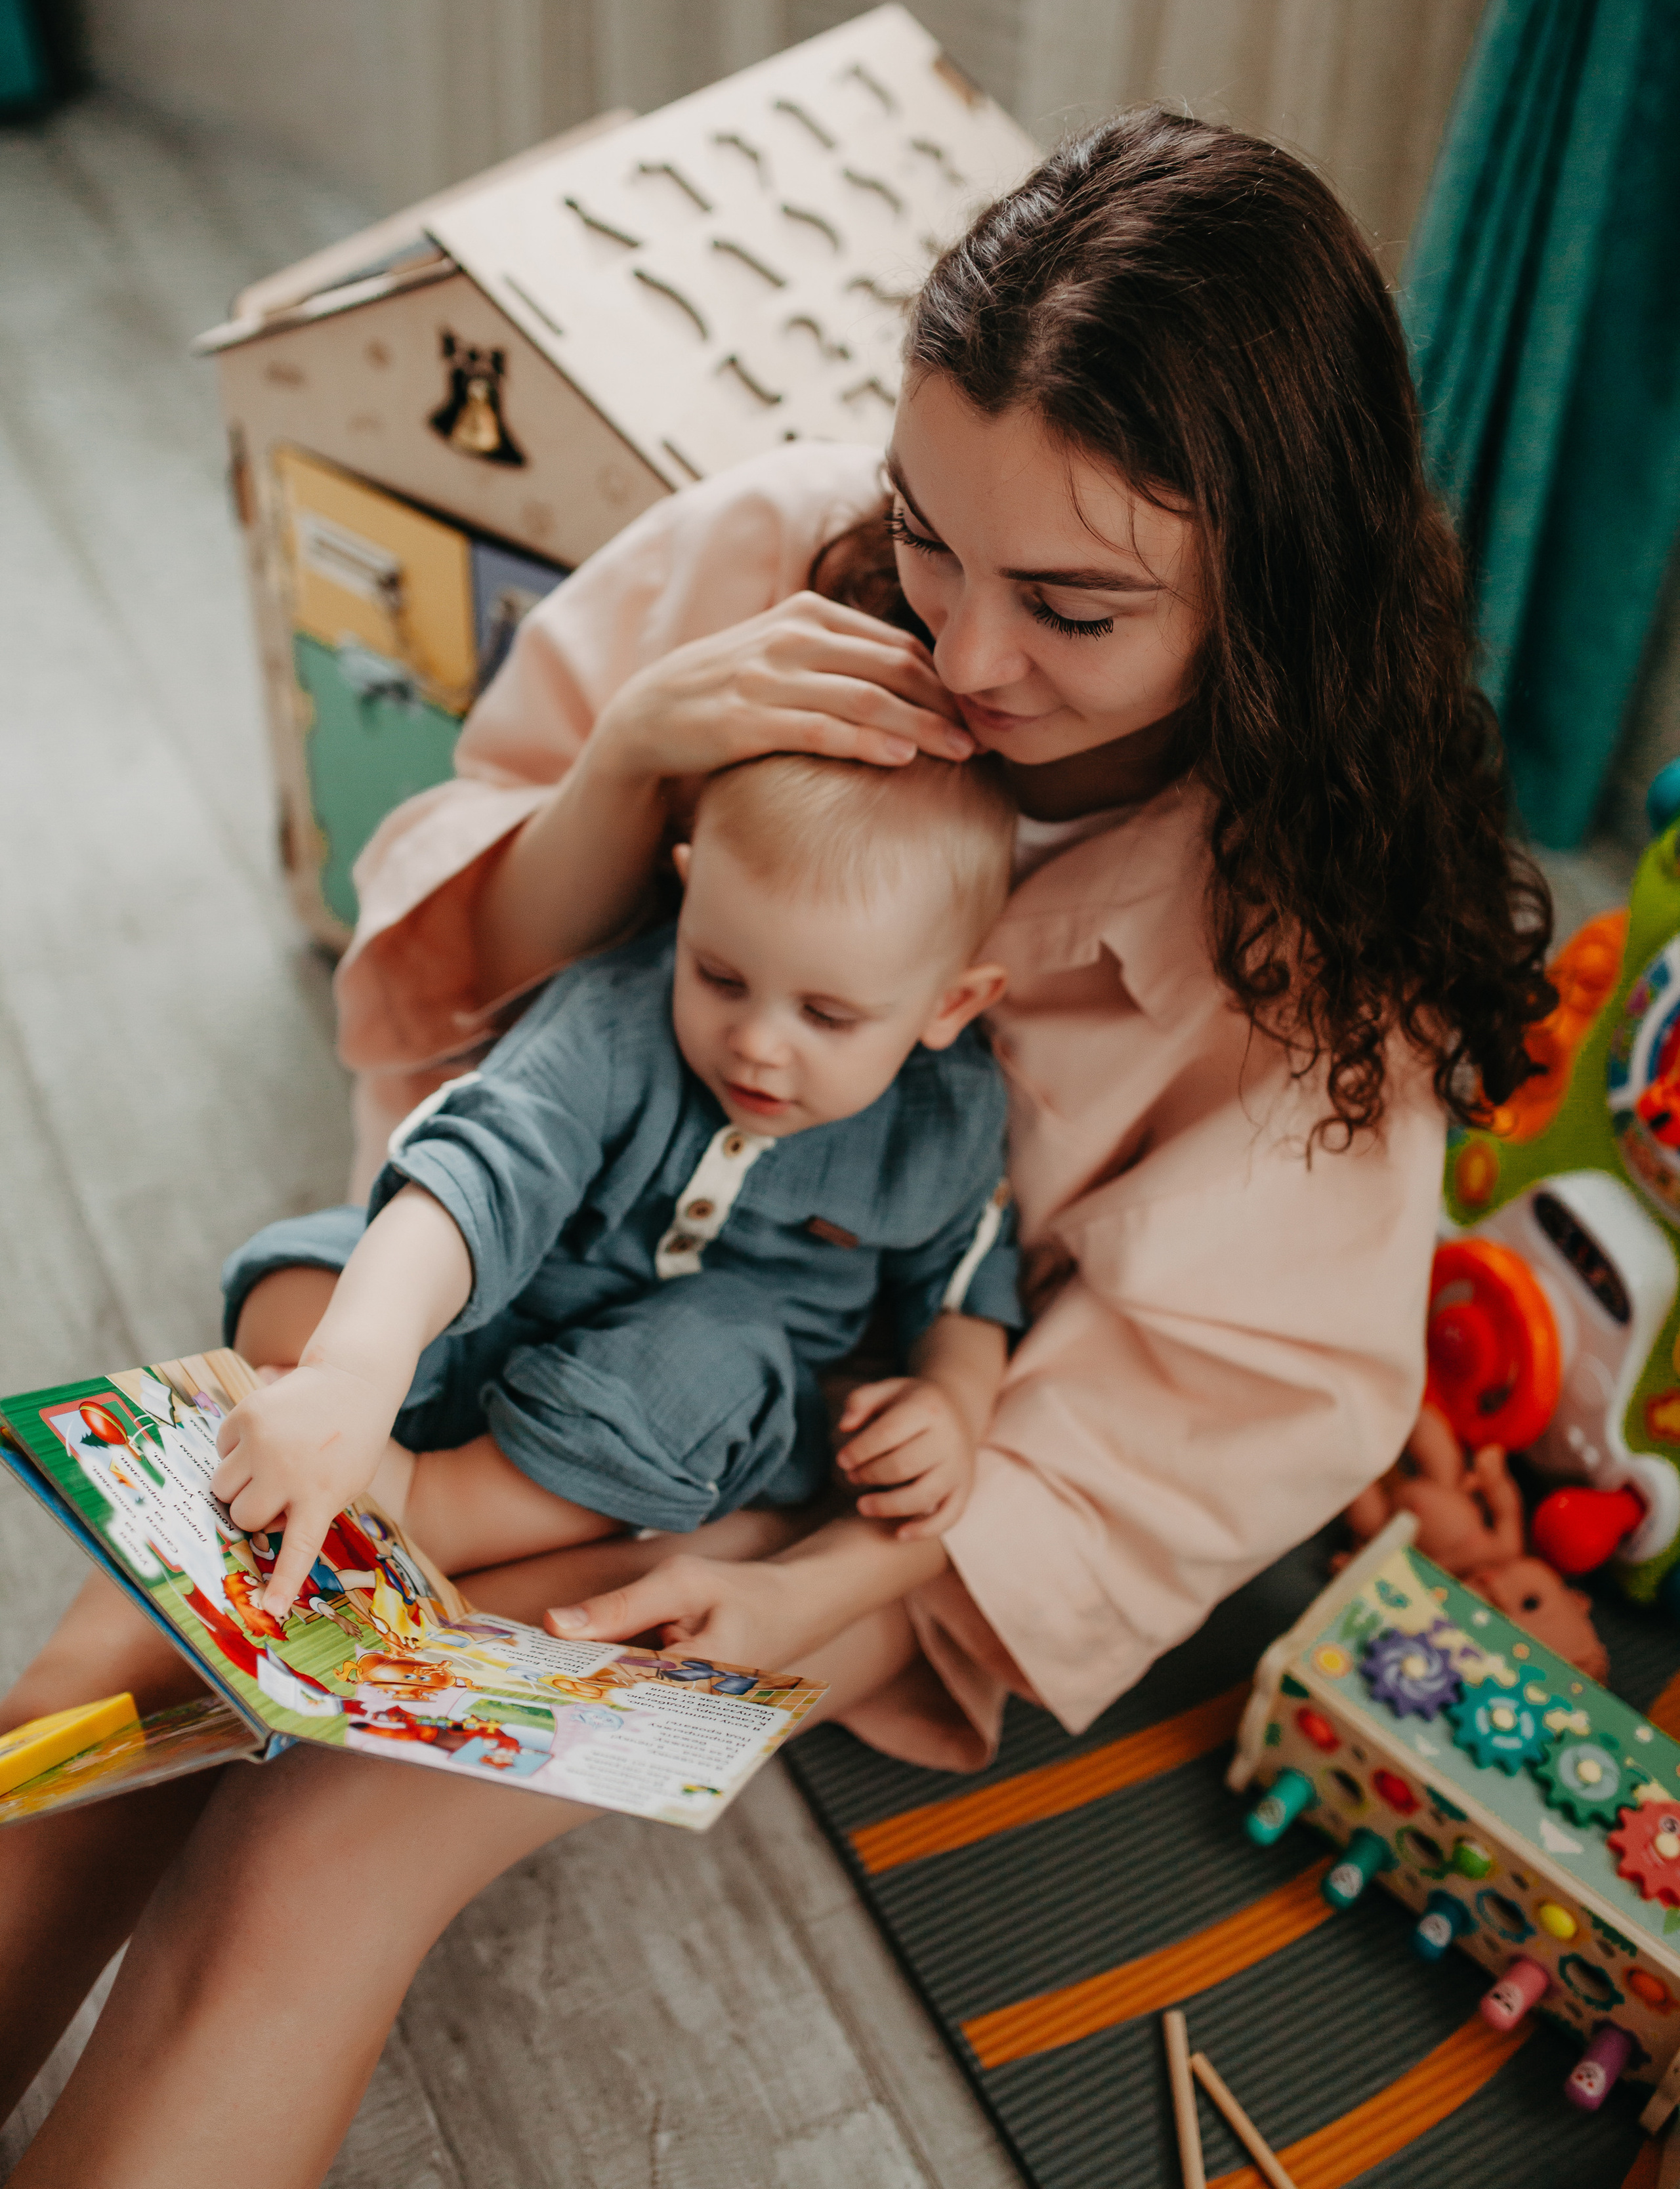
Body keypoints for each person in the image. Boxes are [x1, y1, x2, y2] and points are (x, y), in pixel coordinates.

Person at [0, 109, 1550, 2187]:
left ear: (1267, 593)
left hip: (828, 1479)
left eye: (1073, 609)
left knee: (320, 1850)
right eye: (930, 538)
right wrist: (639, 753)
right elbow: (482, 1016)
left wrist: (821, 1588)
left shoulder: (1308, 941)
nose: (967, 655)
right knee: (111, 1673)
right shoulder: (781, 555)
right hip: (527, 1293)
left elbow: (1190, 1408)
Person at [215, 751, 1021, 1614]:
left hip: (657, 1408)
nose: (757, 1043)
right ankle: (323, 1405)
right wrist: (354, 1365)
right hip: (497, 1310)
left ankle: (426, 1506)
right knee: (323, 1260)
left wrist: (953, 1403)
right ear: (688, 895)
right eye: (719, 976)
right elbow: (484, 1169)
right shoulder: (614, 1016)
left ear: (951, 1004)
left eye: (825, 1016)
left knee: (718, 1356)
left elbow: (962, 1295)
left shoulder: (947, 1125)